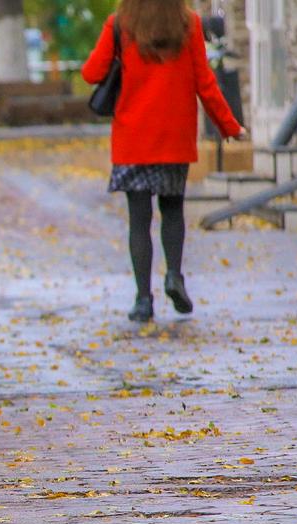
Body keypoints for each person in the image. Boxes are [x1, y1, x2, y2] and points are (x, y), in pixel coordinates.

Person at [82, 0, 243, 322]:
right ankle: (174, 276)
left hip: (133, 138)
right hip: (173, 137)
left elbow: (91, 73)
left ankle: (143, 300)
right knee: (172, 211)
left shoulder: (120, 24)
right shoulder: (189, 25)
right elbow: (205, 82)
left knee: (139, 220)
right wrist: (229, 125)